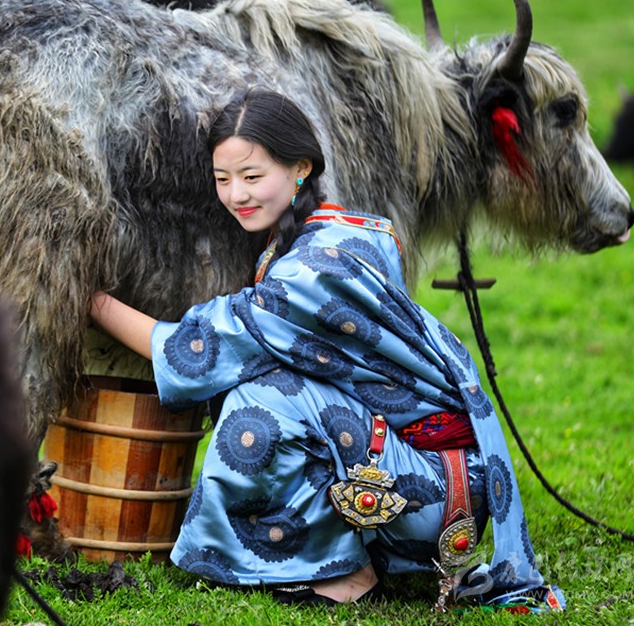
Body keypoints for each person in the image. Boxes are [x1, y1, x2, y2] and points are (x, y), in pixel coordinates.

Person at [90, 87, 565, 612]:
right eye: (223, 179)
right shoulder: (340, 232)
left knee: (264, 399)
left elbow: (194, 350)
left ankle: (347, 575)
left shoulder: (313, 274)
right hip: (427, 467)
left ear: (301, 169)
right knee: (270, 384)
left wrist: (89, 301)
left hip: (440, 492)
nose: (236, 195)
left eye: (252, 176)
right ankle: (341, 549)